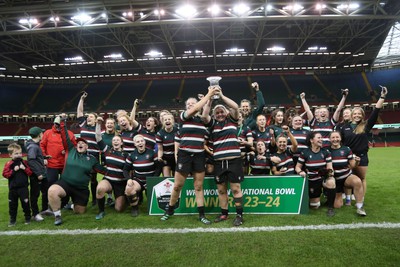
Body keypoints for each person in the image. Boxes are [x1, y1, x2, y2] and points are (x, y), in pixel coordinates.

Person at [161, 86, 220, 224]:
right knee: (177, 186)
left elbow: (205, 112)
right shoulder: (184, 117)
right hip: (184, 155)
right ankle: (170, 209)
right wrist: (208, 94)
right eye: (188, 104)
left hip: (199, 156)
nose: (190, 106)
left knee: (198, 187)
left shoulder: (203, 120)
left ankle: (202, 215)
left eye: (192, 104)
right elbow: (195, 109)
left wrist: (209, 99)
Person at [48, 114, 105, 226]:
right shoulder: (70, 150)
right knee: (52, 191)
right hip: (65, 184)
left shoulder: (92, 159)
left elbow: (102, 170)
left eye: (83, 143)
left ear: (87, 147)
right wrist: (63, 121)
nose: (80, 144)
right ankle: (57, 215)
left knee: (80, 212)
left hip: (81, 188)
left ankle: (71, 205)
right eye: (79, 142)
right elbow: (65, 136)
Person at [202, 87, 245, 226]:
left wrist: (221, 95)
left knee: (235, 188)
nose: (220, 114)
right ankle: (224, 214)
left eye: (222, 112)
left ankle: (239, 215)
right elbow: (204, 116)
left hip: (234, 160)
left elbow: (235, 106)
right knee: (221, 189)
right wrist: (209, 99)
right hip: (219, 162)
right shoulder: (212, 124)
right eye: (217, 112)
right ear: (214, 115)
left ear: (226, 113)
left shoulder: (232, 120)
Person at [340, 86, 388, 196]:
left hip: (362, 157)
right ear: (352, 115)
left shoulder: (366, 125)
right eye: (355, 114)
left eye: (359, 114)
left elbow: (376, 111)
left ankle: (360, 199)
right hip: (348, 157)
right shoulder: (344, 127)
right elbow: (341, 142)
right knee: (346, 177)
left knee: (362, 178)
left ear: (362, 115)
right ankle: (347, 198)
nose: (357, 115)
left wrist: (382, 96)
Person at [40, 116, 77, 214]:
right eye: (56, 124)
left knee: (66, 184)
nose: (57, 126)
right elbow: (42, 145)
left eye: (59, 124)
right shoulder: (47, 133)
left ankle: (65, 203)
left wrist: (69, 151)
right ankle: (51, 203)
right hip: (52, 164)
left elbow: (75, 146)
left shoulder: (69, 133)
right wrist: (44, 156)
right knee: (51, 183)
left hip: (66, 163)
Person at [94, 117, 129, 220]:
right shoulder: (108, 150)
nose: (115, 141)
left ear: (122, 143)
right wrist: (98, 124)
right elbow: (98, 137)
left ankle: (125, 199)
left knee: (119, 209)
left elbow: (129, 171)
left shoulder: (126, 155)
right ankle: (101, 211)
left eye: (118, 140)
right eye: (114, 140)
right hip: (109, 180)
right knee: (100, 189)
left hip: (120, 183)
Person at [295, 132, 336, 217]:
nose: (321, 140)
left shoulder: (326, 152)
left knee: (331, 182)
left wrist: (329, 173)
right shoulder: (305, 153)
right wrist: (300, 172)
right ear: (311, 140)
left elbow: (330, 167)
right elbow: (297, 167)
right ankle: (315, 197)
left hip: (323, 178)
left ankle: (330, 208)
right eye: (318, 138)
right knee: (315, 206)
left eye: (321, 138)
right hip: (312, 180)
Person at [328, 131, 366, 216]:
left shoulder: (346, 149)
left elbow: (352, 166)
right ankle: (338, 195)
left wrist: (356, 162)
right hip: (334, 180)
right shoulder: (326, 150)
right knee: (337, 206)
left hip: (346, 177)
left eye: (337, 137)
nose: (335, 139)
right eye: (333, 137)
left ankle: (360, 207)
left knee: (357, 181)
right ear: (329, 139)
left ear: (340, 138)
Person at [77, 92, 101, 206]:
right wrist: (82, 99)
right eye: (88, 116)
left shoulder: (98, 129)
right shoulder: (83, 125)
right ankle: (81, 198)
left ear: (96, 120)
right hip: (82, 155)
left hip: (94, 156)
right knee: (81, 178)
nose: (88, 118)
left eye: (91, 116)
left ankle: (95, 199)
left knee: (93, 178)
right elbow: (80, 112)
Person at [123, 134, 156, 216]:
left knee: (152, 201)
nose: (140, 143)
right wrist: (129, 179)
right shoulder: (132, 155)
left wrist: (153, 180)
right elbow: (125, 169)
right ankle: (135, 208)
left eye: (142, 141)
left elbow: (159, 168)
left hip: (151, 179)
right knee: (129, 189)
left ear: (145, 142)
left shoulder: (152, 153)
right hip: (139, 180)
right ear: (135, 144)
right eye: (138, 142)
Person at [2, 143, 32, 227]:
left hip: (23, 188)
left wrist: (24, 169)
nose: (19, 155)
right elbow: (5, 174)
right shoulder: (9, 164)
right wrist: (13, 171)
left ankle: (28, 217)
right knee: (12, 205)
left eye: (20, 153)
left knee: (25, 204)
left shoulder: (24, 162)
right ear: (10, 155)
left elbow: (30, 173)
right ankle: (12, 220)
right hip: (13, 189)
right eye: (16, 153)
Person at [26, 126, 47, 222]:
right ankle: (35, 214)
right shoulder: (33, 146)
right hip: (37, 175)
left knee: (44, 191)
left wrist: (45, 158)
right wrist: (38, 173)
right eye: (42, 133)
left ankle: (45, 209)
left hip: (41, 173)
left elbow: (36, 159)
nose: (43, 134)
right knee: (35, 194)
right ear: (39, 135)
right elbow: (31, 161)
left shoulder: (35, 145)